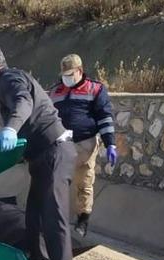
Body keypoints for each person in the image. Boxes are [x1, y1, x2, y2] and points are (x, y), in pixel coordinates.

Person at [0, 46, 76, 260]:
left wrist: (10, 128)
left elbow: (24, 103)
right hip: (42, 156)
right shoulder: (10, 80)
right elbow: (19, 142)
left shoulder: (9, 80)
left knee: (54, 218)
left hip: (55, 151)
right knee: (35, 215)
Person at [49, 54, 117, 237]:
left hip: (85, 144)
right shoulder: (55, 91)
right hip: (62, 144)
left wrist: (110, 143)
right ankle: (55, 220)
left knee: (84, 183)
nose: (67, 78)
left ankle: (82, 221)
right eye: (64, 74)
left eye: (70, 74)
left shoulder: (95, 89)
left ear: (79, 71)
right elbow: (47, 118)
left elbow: (104, 117)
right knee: (56, 182)